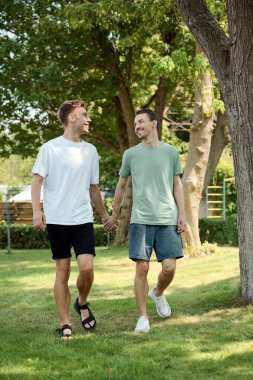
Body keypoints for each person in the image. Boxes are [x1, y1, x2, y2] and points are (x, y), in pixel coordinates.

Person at [31, 100, 109, 339]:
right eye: (84, 114)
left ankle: (82, 302)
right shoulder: (50, 148)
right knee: (62, 270)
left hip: (82, 219)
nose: (88, 119)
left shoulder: (90, 151)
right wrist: (37, 211)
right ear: (71, 118)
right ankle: (65, 323)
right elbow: (37, 182)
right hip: (57, 219)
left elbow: (93, 187)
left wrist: (105, 214)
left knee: (86, 268)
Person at [105, 109, 186, 333]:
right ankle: (142, 317)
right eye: (135, 123)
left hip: (168, 218)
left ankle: (158, 293)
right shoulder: (130, 154)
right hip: (140, 219)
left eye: (141, 121)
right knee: (142, 267)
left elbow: (177, 184)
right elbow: (121, 185)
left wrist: (183, 214)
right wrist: (115, 214)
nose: (137, 126)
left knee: (169, 268)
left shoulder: (170, 152)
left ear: (154, 124)